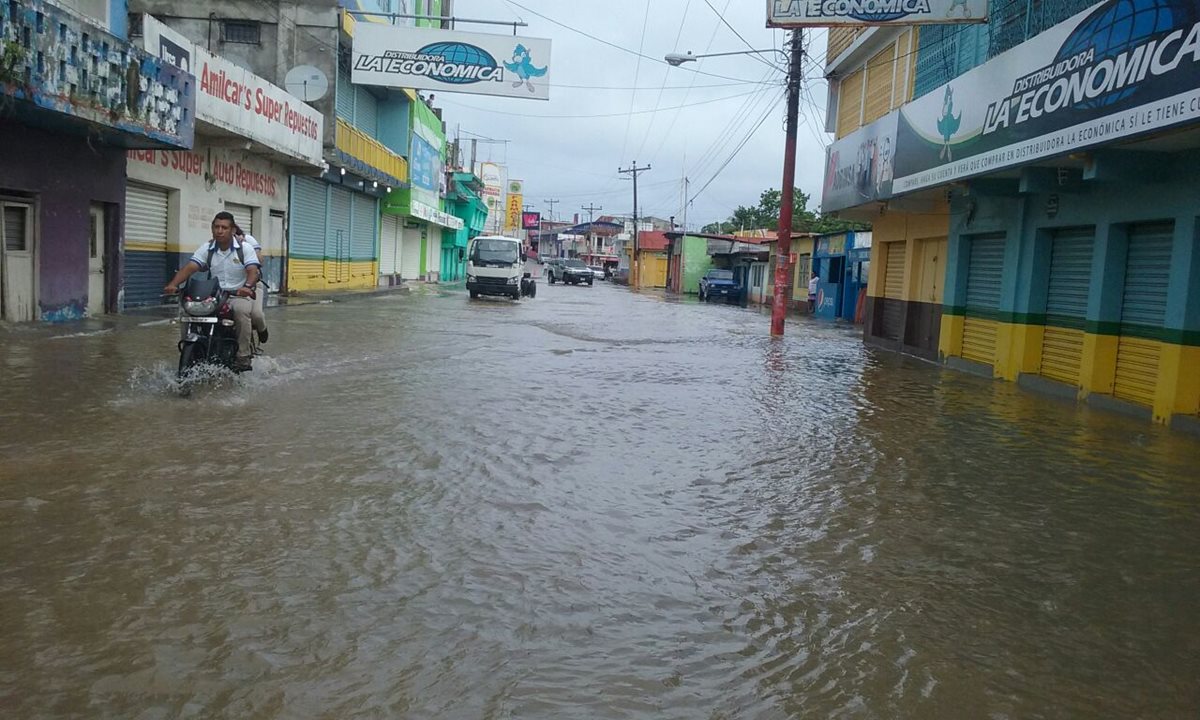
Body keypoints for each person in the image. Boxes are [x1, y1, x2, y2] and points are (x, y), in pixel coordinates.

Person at [164, 212, 261, 372]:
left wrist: (248, 286)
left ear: (232, 230)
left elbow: (253, 271)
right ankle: (190, 348)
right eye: (216, 227)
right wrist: (173, 284)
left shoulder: (245, 249)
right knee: (189, 313)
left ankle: (243, 356)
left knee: (241, 311)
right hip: (216, 295)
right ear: (212, 229)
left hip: (238, 294)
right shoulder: (207, 248)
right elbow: (189, 268)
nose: (220, 231)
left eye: (224, 227)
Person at [233, 222, 268, 345]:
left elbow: (260, 261)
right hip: (230, 287)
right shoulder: (217, 245)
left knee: (256, 314)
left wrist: (244, 246)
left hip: (252, 284)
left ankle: (262, 329)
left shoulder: (248, 241)